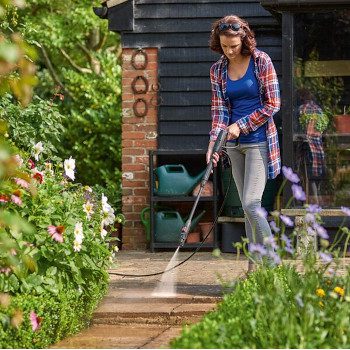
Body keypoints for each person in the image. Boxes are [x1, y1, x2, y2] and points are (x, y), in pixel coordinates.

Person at [206, 15, 281, 269]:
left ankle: (273, 265)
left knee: (251, 202)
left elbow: (273, 104)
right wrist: (213, 145)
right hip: (232, 145)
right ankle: (253, 269)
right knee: (247, 209)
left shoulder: (261, 61)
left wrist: (242, 125)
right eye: (224, 46)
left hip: (258, 141)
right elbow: (219, 113)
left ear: (244, 39)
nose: (229, 51)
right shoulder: (217, 70)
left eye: (234, 46)